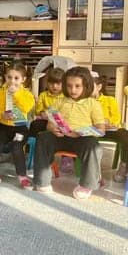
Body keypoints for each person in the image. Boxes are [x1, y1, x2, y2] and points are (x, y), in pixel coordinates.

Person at [34, 67, 105, 199]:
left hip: (82, 139)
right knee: (43, 138)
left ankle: (86, 185)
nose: (73, 90)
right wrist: (52, 129)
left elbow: (101, 129)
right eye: (69, 86)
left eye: (77, 86)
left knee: (94, 146)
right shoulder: (59, 101)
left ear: (86, 85)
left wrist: (80, 132)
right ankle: (42, 181)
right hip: (61, 137)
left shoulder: (93, 104)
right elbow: (50, 122)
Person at [0, 60, 35, 188]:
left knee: (17, 147)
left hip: (20, 128)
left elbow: (26, 108)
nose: (12, 81)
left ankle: (22, 176)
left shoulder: (27, 94)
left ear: (23, 79)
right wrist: (0, 115)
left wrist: (16, 94)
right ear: (5, 77)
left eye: (16, 78)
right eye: (9, 77)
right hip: (3, 127)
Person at [92, 73, 127, 183]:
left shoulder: (110, 100)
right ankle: (91, 168)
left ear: (99, 87)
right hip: (93, 130)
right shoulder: (85, 102)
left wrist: (109, 122)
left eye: (90, 86)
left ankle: (124, 165)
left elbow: (116, 118)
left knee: (125, 135)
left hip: (109, 129)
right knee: (83, 137)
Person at [28, 67, 64, 138]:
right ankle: (32, 141)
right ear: (47, 83)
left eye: (58, 83)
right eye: (51, 83)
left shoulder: (65, 96)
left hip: (61, 121)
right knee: (35, 124)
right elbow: (38, 111)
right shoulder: (43, 95)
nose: (54, 86)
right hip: (46, 120)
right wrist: (42, 112)